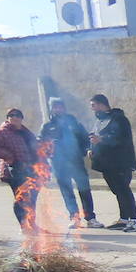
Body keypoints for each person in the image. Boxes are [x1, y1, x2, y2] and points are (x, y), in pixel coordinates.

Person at [40, 98, 100, 229]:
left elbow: (85, 138)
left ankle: (91, 218)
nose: (58, 109)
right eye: (55, 107)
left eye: (60, 106)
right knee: (67, 191)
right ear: (52, 109)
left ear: (64, 108)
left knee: (84, 189)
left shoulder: (74, 123)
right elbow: (41, 143)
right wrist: (48, 152)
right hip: (59, 164)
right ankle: (74, 217)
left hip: (76, 161)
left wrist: (85, 151)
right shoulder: (48, 126)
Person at [88, 94, 136, 231]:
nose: (92, 109)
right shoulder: (100, 121)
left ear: (101, 104)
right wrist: (91, 148)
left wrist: (102, 139)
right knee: (117, 190)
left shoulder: (119, 119)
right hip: (106, 163)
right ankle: (124, 219)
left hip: (120, 162)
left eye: (93, 105)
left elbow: (121, 139)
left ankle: (134, 220)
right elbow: (95, 136)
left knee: (124, 190)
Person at [0, 109, 42, 231]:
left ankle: (32, 223)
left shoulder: (25, 132)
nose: (14, 118)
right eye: (11, 115)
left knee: (32, 198)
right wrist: (8, 157)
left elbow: (35, 148)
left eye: (17, 115)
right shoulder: (3, 132)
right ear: (7, 118)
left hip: (30, 170)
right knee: (21, 197)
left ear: (21, 118)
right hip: (14, 170)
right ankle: (23, 226)